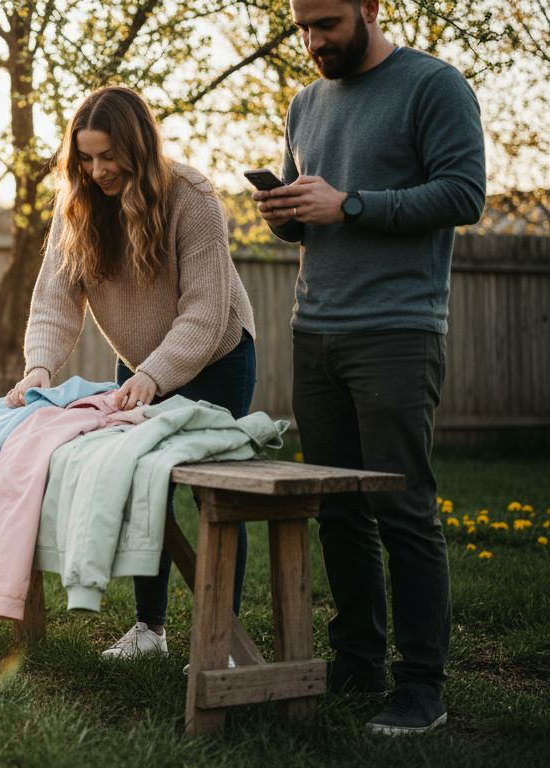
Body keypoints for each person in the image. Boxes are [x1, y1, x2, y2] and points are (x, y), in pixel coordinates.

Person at [252, 0, 485, 736]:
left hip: (397, 329)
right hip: (314, 326)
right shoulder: (305, 101)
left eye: (328, 25)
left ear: (370, 9)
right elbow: (318, 209)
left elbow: (463, 194)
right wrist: (287, 212)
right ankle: (358, 659)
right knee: (339, 508)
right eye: (303, 29)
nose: (314, 42)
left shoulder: (433, 86)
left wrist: (349, 203)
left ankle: (423, 687)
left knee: (402, 507)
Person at [8, 85, 257, 664]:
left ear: (138, 146)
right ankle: (151, 630)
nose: (97, 170)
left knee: (215, 495)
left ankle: (222, 640)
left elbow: (205, 309)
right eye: (86, 158)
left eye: (108, 157)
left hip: (215, 358)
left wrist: (157, 373)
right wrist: (39, 367)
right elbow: (54, 302)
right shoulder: (77, 205)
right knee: (145, 487)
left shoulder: (190, 195)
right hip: (139, 363)